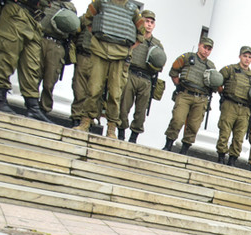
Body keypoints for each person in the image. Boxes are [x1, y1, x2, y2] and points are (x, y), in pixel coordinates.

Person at [76, 0, 146, 138]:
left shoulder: (133, 9)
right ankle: (85, 121)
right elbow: (88, 19)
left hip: (120, 56)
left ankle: (112, 128)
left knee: (115, 93)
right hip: (99, 51)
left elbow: (141, 33)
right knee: (93, 89)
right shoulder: (100, 2)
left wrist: (128, 49)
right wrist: (96, 37)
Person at [0, 0, 52, 121]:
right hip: (16, 12)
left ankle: (32, 107)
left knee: (32, 65)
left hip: (34, 17)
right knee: (7, 57)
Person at [162, 37, 216, 155]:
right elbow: (174, 71)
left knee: (193, 125)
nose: (206, 51)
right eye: (204, 47)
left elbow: (214, 82)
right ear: (199, 45)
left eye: (209, 49)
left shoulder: (211, 66)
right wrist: (179, 86)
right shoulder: (187, 57)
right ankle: (168, 144)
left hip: (201, 98)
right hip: (185, 94)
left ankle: (185, 149)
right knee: (177, 119)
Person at [118, 9, 161, 143]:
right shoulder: (133, 37)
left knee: (141, 111)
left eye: (151, 22)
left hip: (146, 78)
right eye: (146, 21)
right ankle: (121, 133)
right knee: (123, 106)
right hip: (131, 73)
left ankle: (133, 137)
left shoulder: (157, 44)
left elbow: (160, 64)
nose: (149, 24)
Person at [215, 46, 251, 166]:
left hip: (244, 108)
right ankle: (221, 156)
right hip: (230, 104)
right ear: (240, 56)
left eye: (249, 57)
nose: (247, 59)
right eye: (245, 56)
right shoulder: (230, 69)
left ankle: (233, 159)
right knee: (225, 132)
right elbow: (217, 80)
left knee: (239, 136)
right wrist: (222, 93)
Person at [38, 1, 78, 118]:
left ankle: (44, 108)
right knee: (34, 74)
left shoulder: (70, 7)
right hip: (40, 40)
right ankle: (32, 104)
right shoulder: (46, 2)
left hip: (57, 45)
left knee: (50, 81)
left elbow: (73, 29)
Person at [69, 14, 95, 128]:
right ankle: (76, 116)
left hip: (98, 59)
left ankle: (89, 118)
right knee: (79, 89)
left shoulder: (109, 19)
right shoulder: (85, 19)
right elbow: (74, 34)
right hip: (83, 56)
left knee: (94, 91)